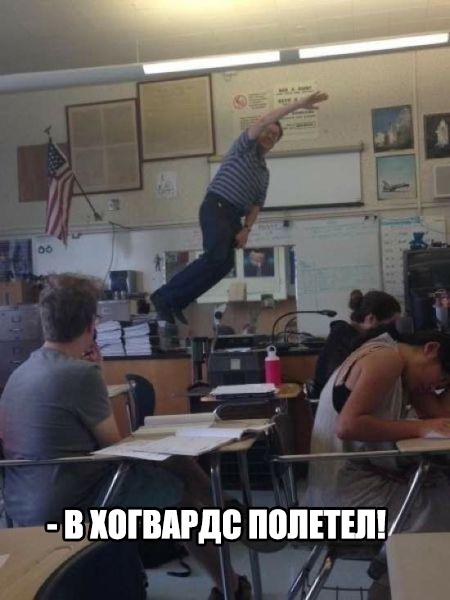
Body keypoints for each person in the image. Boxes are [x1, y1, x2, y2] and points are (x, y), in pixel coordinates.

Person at [0, 274, 250, 600]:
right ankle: (231, 581)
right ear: (91, 325)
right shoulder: (80, 374)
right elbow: (115, 447)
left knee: (174, 465)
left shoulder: (20, 372)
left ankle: (225, 514)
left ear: (45, 321)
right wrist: (97, 372)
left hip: (21, 503)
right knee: (180, 495)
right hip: (76, 501)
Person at [151, 90, 329, 325]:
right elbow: (264, 120)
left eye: (275, 136)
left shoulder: (264, 173)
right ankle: (162, 297)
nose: (270, 136)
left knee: (224, 265)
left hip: (234, 217)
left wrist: (246, 229)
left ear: (275, 143)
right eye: (268, 131)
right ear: (260, 131)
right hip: (217, 205)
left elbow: (256, 205)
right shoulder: (244, 147)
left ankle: (176, 301)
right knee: (215, 256)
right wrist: (298, 104)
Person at [305, 327, 450, 599]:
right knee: (440, 506)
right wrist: (419, 428)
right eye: (441, 379)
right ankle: (387, 586)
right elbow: (348, 426)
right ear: (430, 350)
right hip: (341, 503)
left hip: (347, 487)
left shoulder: (404, 367)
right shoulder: (386, 359)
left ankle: (393, 577)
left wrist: (428, 401)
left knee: (440, 489)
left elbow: (440, 415)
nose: (436, 388)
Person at [311, 289, 401, 398]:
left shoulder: (344, 335)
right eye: (391, 324)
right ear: (371, 319)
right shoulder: (343, 337)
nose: (393, 331)